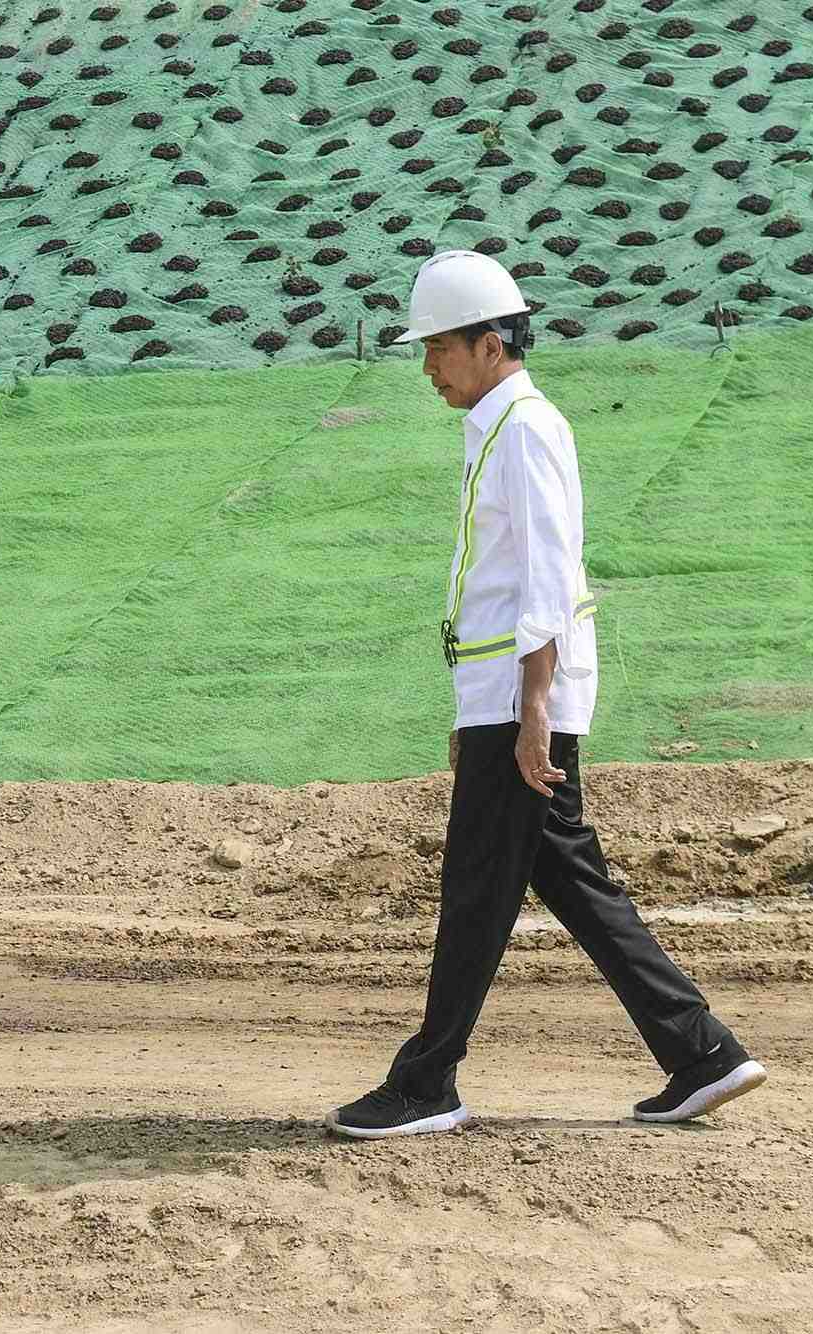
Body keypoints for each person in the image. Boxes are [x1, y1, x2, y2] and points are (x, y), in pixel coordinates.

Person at [323, 251, 767, 1139]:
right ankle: (701, 1053)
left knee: (476, 890)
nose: (427, 367)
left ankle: (425, 1082)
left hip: (524, 700)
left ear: (489, 344)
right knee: (565, 878)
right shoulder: (497, 424)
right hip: (500, 696)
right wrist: (481, 709)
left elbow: (547, 576)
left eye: (439, 347)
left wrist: (531, 711)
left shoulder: (524, 426)